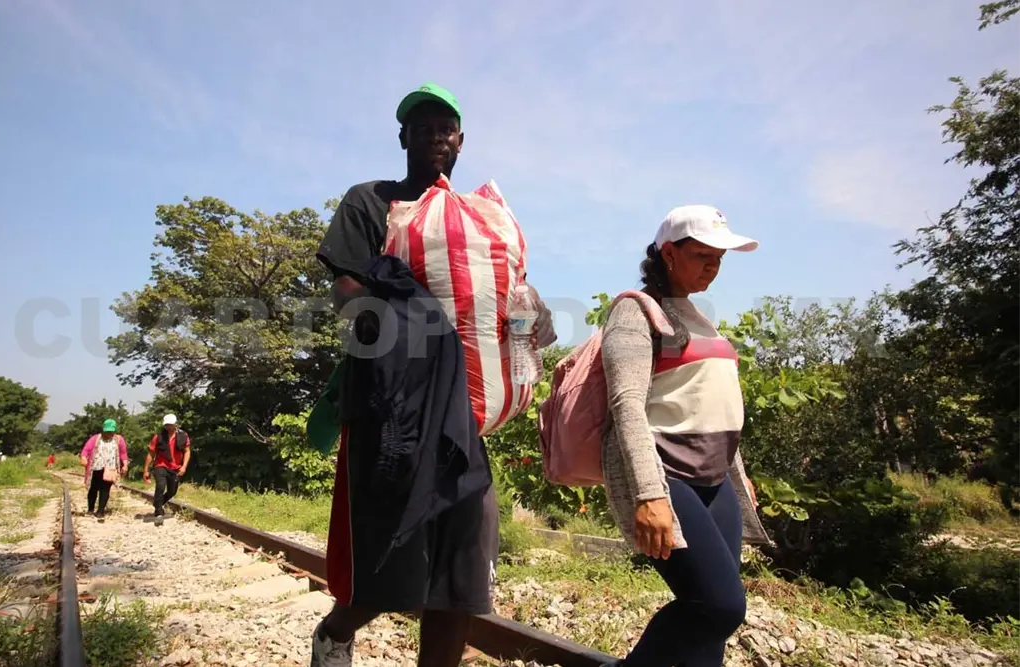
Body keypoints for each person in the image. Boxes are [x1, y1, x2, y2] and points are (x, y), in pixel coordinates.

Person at [310, 82, 555, 667]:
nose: (436, 137)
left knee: (462, 570)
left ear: (461, 141)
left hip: (462, 412)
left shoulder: (479, 220)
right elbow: (346, 289)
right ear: (404, 138)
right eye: (423, 127)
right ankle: (336, 633)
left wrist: (527, 314)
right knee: (387, 559)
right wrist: (391, 323)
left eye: (446, 128)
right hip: (391, 408)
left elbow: (506, 299)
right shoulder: (371, 201)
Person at [599, 205, 772, 667]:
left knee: (709, 630)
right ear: (669, 254)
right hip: (667, 474)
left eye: (719, 258)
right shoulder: (636, 312)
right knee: (719, 605)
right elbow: (627, 406)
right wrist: (649, 494)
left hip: (717, 482)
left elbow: (705, 401)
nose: (713, 267)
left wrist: (740, 475)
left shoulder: (698, 316)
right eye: (702, 256)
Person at [143, 413, 190, 524]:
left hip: (176, 467)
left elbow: (187, 451)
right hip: (161, 465)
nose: (168, 427)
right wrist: (146, 470)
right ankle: (159, 512)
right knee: (160, 486)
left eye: (170, 425)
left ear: (175, 424)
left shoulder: (183, 436)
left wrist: (184, 466)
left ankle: (157, 503)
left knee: (172, 491)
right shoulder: (158, 437)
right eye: (166, 425)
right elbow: (150, 454)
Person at [80, 419, 129, 520]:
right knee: (93, 488)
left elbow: (123, 453)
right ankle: (90, 509)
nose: (109, 433)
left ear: (114, 430)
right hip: (96, 468)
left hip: (110, 469)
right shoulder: (96, 438)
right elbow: (86, 449)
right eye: (107, 431)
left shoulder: (119, 439)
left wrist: (125, 465)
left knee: (105, 489)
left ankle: (100, 511)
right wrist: (83, 457)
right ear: (103, 430)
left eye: (111, 431)